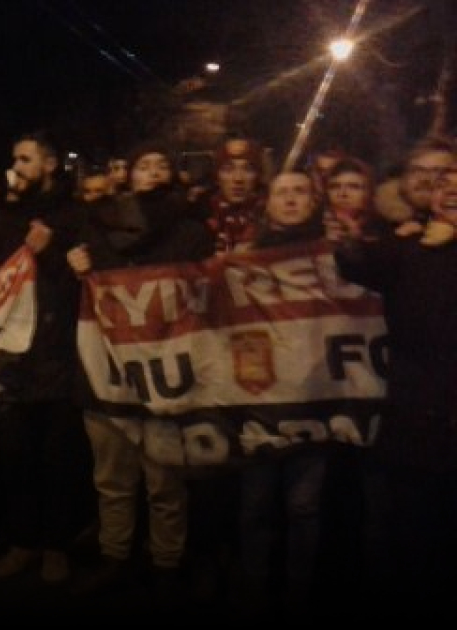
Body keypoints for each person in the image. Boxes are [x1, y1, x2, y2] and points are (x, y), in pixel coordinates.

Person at [66, 141, 215, 598]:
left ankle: (166, 562)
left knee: (165, 481)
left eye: (160, 164)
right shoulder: (96, 226)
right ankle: (116, 557)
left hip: (166, 375)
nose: (152, 171)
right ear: (126, 175)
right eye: (143, 165)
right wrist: (75, 268)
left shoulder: (192, 231)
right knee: (112, 478)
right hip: (107, 371)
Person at [332, 163, 457, 609]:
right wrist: (349, 243)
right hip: (418, 408)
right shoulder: (407, 247)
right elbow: (362, 265)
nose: (451, 191)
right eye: (443, 183)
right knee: (414, 524)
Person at [0, 129, 95, 585]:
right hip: (14, 358)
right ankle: (22, 542)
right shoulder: (6, 216)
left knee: (57, 460)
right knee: (16, 458)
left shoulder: (74, 215)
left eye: (25, 159)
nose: (17, 167)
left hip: (57, 355)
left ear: (49, 164)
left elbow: (80, 285)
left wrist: (49, 254)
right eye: (15, 159)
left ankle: (56, 546)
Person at [233, 169, 332, 610]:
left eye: (299, 192)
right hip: (262, 399)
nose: (291, 200)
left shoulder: (335, 255)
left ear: (313, 201)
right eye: (282, 193)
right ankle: (255, 588)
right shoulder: (247, 259)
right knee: (256, 505)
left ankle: (298, 591)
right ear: (268, 203)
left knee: (303, 506)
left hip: (316, 397)